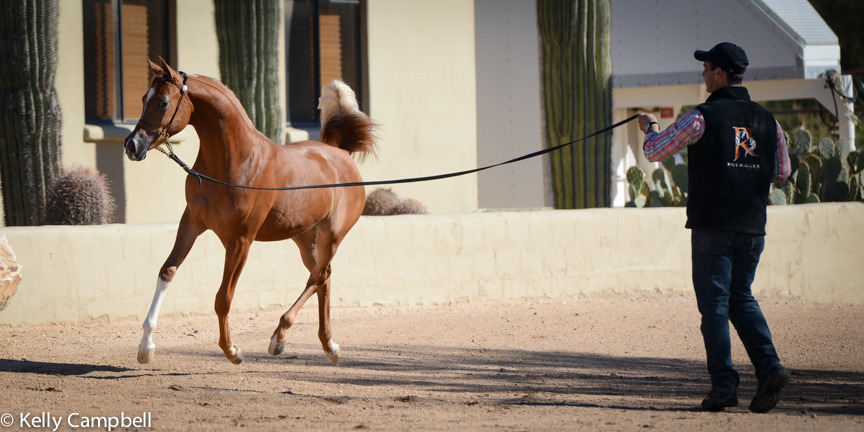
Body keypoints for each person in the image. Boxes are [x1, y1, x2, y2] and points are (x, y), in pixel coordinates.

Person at [637, 42, 792, 413]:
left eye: (706, 68)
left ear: (720, 73)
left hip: (713, 227)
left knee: (715, 307)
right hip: (753, 226)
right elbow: (782, 173)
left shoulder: (700, 117)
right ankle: (769, 368)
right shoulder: (769, 121)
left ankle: (724, 386)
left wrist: (651, 126)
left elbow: (656, 151)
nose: (703, 73)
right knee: (741, 298)